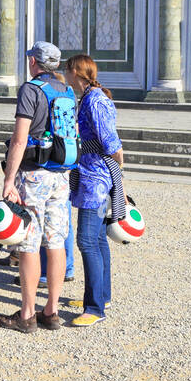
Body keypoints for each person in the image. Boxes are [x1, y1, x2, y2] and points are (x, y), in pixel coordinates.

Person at [0, 41, 74, 333]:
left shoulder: (31, 90)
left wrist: (8, 179)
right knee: (55, 242)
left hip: (33, 175)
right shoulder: (67, 91)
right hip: (61, 175)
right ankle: (51, 311)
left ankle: (27, 314)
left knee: (28, 244)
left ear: (33, 61)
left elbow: (19, 139)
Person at [65, 54, 123, 327]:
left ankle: (95, 307)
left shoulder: (94, 100)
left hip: (95, 180)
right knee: (98, 240)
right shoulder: (90, 97)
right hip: (91, 175)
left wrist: (116, 166)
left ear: (76, 72)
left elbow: (110, 141)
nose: (65, 75)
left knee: (87, 240)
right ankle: (102, 296)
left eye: (68, 70)